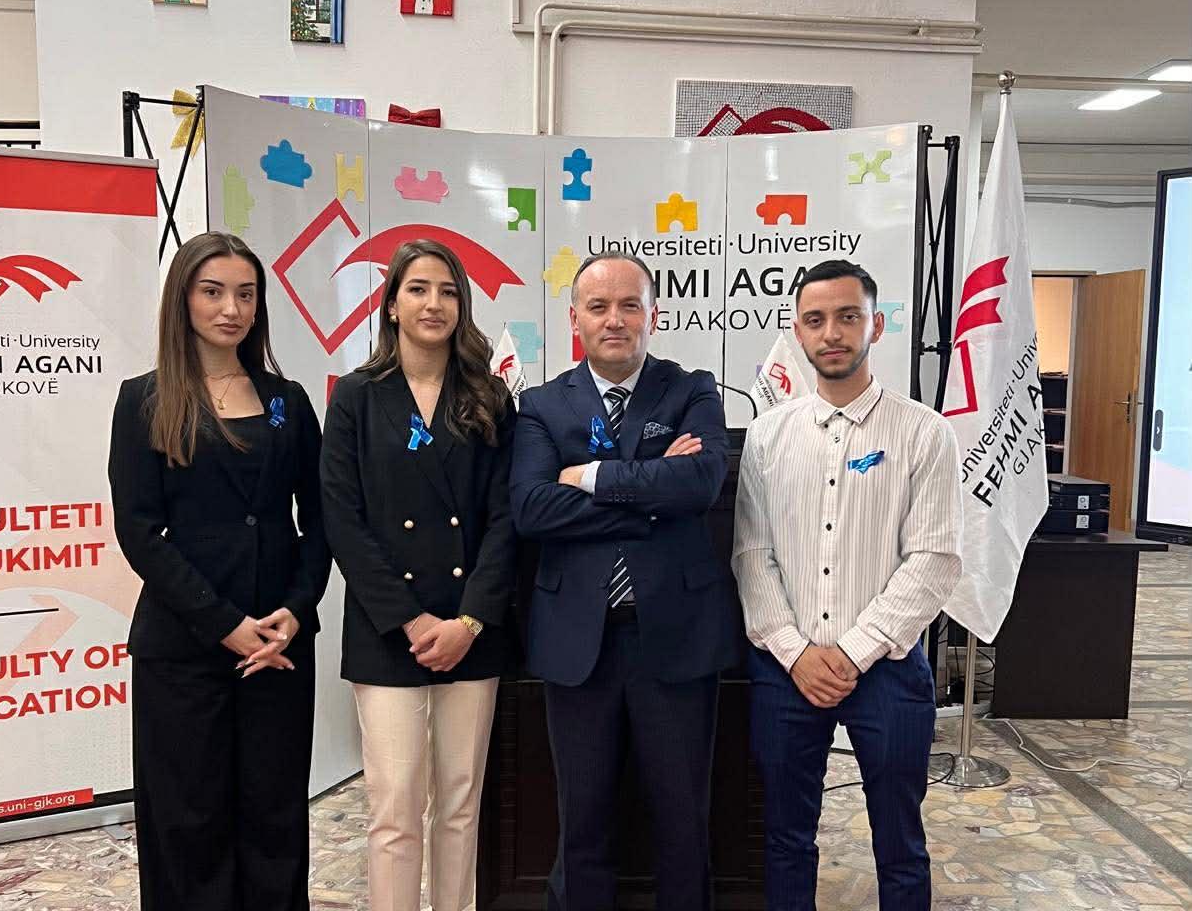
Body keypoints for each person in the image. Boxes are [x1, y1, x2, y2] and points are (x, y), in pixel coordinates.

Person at [510, 252, 743, 911]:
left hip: (676, 637)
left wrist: (588, 477)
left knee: (682, 819)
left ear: (653, 315)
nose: (615, 319)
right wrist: (652, 495)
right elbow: (531, 509)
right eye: (599, 307)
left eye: (629, 305)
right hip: (576, 643)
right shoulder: (541, 405)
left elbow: (699, 484)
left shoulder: (691, 390)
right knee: (582, 820)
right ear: (575, 319)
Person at [108, 231, 330, 911]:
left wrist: (298, 609)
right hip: (184, 647)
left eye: (245, 294)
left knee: (274, 816)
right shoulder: (144, 400)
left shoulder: (288, 399)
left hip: (279, 645)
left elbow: (322, 519)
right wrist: (223, 624)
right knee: (187, 821)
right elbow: (139, 532)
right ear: (183, 298)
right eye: (213, 292)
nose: (231, 309)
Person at [732, 259, 962, 911]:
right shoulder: (768, 435)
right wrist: (797, 653)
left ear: (875, 325)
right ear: (797, 332)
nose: (831, 333)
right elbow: (751, 554)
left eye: (847, 316)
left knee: (900, 841)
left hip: (888, 670)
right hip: (786, 670)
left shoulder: (924, 432)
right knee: (785, 837)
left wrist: (852, 652)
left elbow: (934, 560)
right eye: (815, 320)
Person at [320, 238, 517, 911]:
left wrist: (469, 620)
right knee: (395, 806)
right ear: (392, 305)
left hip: (471, 629)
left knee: (460, 803)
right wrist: (409, 619)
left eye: (449, 291)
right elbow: (341, 518)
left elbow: (505, 520)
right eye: (419, 289)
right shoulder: (356, 396)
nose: (435, 303)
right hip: (388, 631)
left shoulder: (490, 397)